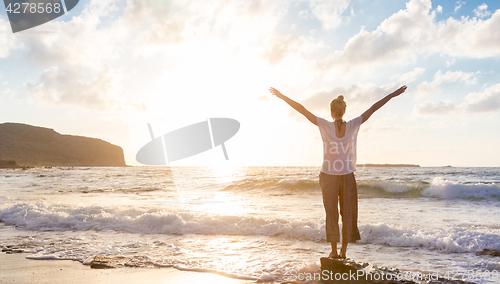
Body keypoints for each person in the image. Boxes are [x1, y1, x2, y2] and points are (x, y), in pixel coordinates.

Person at [269, 85, 407, 259]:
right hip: (346, 175)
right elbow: (373, 108)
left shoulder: (324, 124)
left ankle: (333, 251)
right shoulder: (353, 124)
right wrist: (393, 95)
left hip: (327, 175)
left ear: (332, 111)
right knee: (348, 214)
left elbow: (302, 109)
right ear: (344, 110)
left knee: (332, 214)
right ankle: (343, 252)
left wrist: (282, 96)